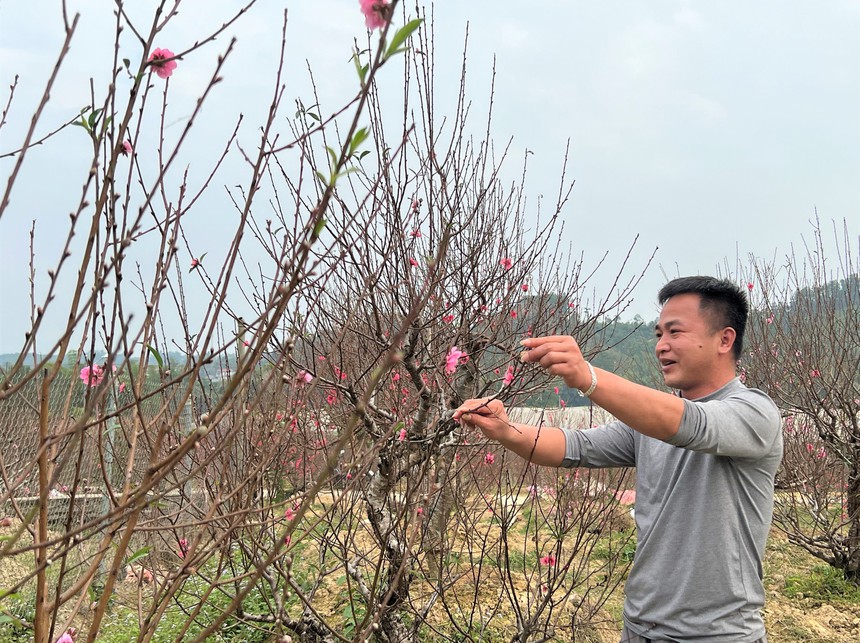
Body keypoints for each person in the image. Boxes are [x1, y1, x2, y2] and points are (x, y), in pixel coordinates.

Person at [454, 276, 782, 643]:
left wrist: (587, 377)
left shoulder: (753, 413)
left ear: (725, 339)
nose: (662, 346)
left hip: (716, 635)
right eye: (658, 334)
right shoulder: (648, 423)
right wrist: (504, 430)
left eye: (675, 332)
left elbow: (691, 424)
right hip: (641, 627)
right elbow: (572, 447)